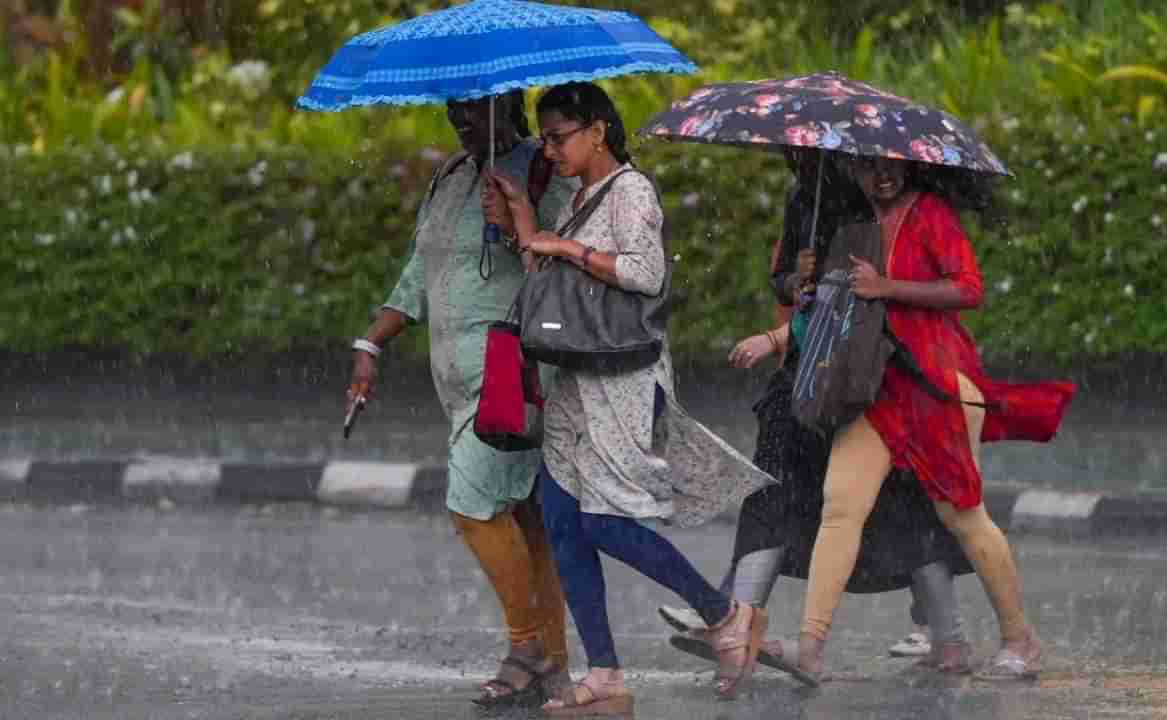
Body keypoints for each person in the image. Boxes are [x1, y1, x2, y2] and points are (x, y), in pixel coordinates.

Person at [488, 81, 776, 715]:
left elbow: (643, 275)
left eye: (560, 137)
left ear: (597, 131)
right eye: (545, 138)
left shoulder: (633, 192)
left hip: (619, 379)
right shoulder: (583, 196)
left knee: (603, 521)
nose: (551, 149)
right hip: (574, 377)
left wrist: (563, 244)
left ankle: (725, 613)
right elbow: (557, 278)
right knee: (564, 523)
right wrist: (523, 220)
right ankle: (606, 672)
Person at [660, 150, 974, 678]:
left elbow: (860, 304)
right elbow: (794, 285)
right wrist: (795, 283)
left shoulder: (877, 206)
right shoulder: (805, 194)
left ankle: (945, 636)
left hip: (864, 380)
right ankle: (739, 624)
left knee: (898, 503)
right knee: (779, 496)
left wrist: (814, 300)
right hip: (812, 375)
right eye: (791, 152)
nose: (796, 160)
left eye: (807, 153)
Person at [786, 155, 1076, 684]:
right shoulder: (853, 226)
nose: (884, 175)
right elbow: (844, 307)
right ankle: (809, 648)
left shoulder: (933, 214)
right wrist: (809, 287)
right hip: (876, 387)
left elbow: (969, 288)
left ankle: (1020, 640)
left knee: (962, 515)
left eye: (893, 165)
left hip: (936, 383)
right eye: (870, 167)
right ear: (852, 171)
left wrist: (888, 287)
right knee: (840, 506)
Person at [345, 89, 577, 710]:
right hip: (457, 380)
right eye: (455, 110)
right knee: (529, 524)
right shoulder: (451, 176)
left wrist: (514, 226)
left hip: (513, 371)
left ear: (509, 104)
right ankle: (552, 665)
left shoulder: (544, 169)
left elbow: (565, 268)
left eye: (475, 108)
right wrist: (371, 343)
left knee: (473, 505)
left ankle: (524, 646)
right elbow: (420, 274)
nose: (461, 120)